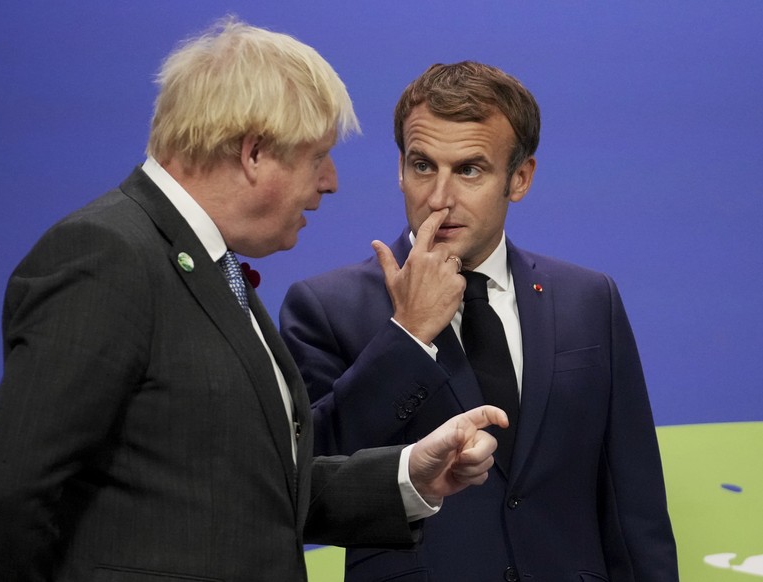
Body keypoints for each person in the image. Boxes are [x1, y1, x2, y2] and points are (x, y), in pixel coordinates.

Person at [0, 23, 510, 582]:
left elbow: (256, 493)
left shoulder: (205, 266)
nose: (331, 181)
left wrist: (409, 475)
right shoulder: (108, 256)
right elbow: (10, 497)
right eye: (317, 156)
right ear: (254, 153)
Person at [280, 61, 678, 581]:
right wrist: (408, 335)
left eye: (469, 169)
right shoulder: (326, 307)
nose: (439, 198)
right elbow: (303, 485)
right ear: (400, 168)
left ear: (520, 178)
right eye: (423, 166)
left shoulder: (588, 300)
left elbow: (635, 507)